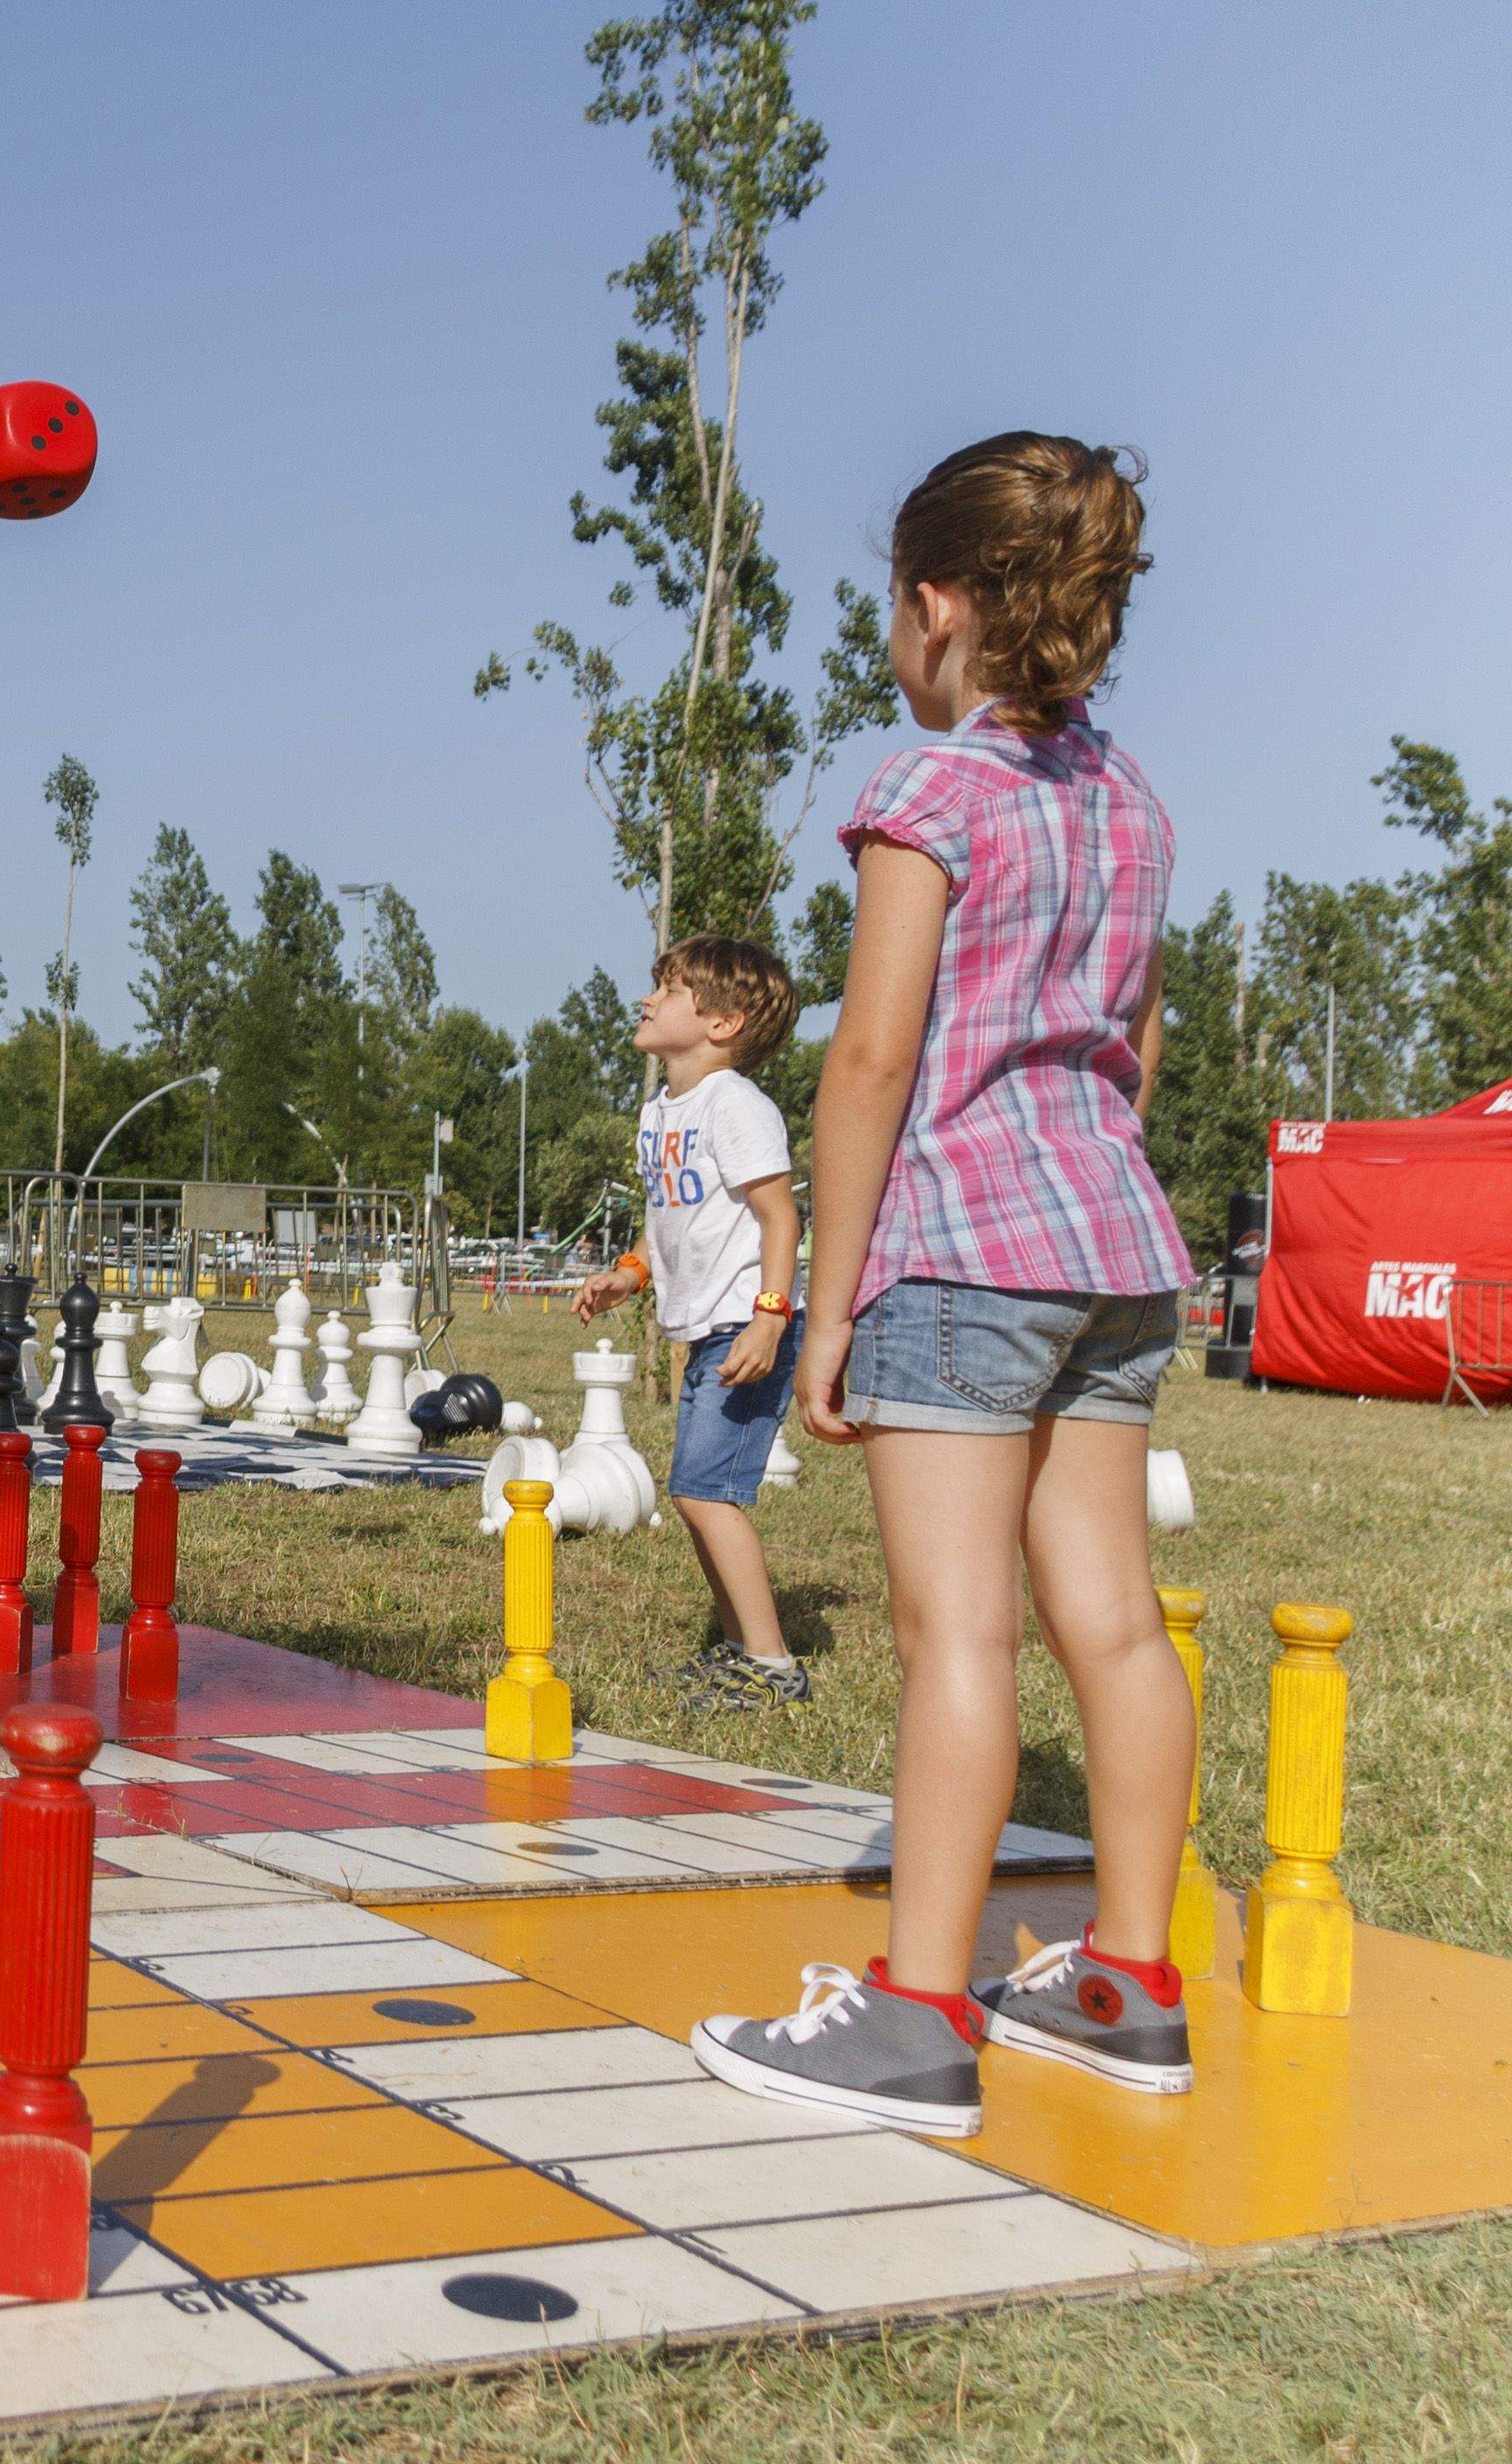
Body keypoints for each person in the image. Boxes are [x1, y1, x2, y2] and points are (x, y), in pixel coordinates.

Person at [695, 433, 1192, 2140]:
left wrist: (826, 1307)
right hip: (1113, 1247)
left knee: (955, 1629)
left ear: (936, 606)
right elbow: (1132, 1038)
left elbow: (871, 1060)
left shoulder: (929, 794)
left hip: (962, 1252)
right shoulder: (1131, 803)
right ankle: (1129, 1985)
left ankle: (913, 2021)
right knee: (1112, 1619)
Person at [569, 936, 807, 1707]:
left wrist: (769, 1319)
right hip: (710, 1329)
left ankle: (774, 1668)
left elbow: (780, 1218)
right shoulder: (661, 1110)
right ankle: (741, 1649)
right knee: (694, 1491)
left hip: (746, 1326)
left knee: (707, 1492)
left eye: (670, 991)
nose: (649, 999)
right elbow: (669, 1214)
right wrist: (630, 1274)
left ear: (723, 1023)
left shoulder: (734, 1104)